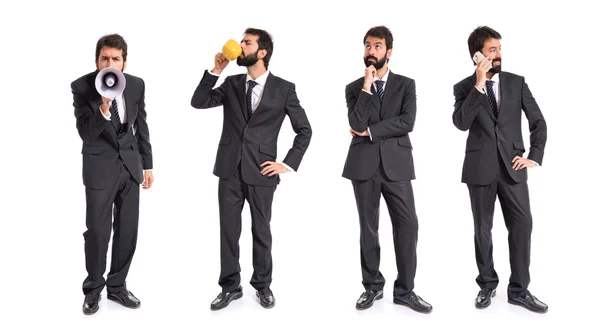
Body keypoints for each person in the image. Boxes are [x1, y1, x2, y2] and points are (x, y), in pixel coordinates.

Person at [191, 28, 312, 310]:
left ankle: (263, 285)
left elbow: (304, 131)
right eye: (241, 41)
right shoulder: (232, 83)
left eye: (247, 42)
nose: (240, 45)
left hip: (262, 171)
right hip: (229, 169)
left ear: (262, 52)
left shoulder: (284, 89)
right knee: (228, 231)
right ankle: (230, 287)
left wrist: (286, 163)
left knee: (262, 230)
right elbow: (198, 102)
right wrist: (216, 70)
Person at [452, 26, 548, 313]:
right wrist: (479, 86)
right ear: (477, 54)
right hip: (479, 168)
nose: (498, 54)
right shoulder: (463, 87)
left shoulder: (516, 82)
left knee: (523, 224)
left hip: (513, 166)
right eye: (492, 49)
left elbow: (538, 122)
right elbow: (461, 122)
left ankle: (519, 289)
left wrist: (534, 156)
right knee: (483, 229)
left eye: (499, 49)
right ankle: (487, 284)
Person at [343, 26, 432, 313]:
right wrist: (367, 88)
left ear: (389, 52)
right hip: (362, 167)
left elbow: (408, 122)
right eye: (367, 45)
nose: (371, 51)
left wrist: (370, 131)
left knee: (408, 226)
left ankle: (405, 291)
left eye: (377, 46)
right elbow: (355, 122)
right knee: (368, 229)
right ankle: (371, 287)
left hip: (397, 165)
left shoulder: (407, 84)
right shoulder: (354, 87)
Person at [71, 34, 154, 315]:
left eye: (115, 58)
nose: (110, 62)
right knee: (97, 232)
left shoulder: (137, 85)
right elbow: (86, 133)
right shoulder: (82, 87)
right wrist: (103, 108)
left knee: (128, 230)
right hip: (99, 168)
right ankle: (93, 289)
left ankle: (117, 287)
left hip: (130, 167)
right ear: (97, 61)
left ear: (124, 62)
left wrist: (148, 166)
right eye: (104, 58)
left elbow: (141, 127)